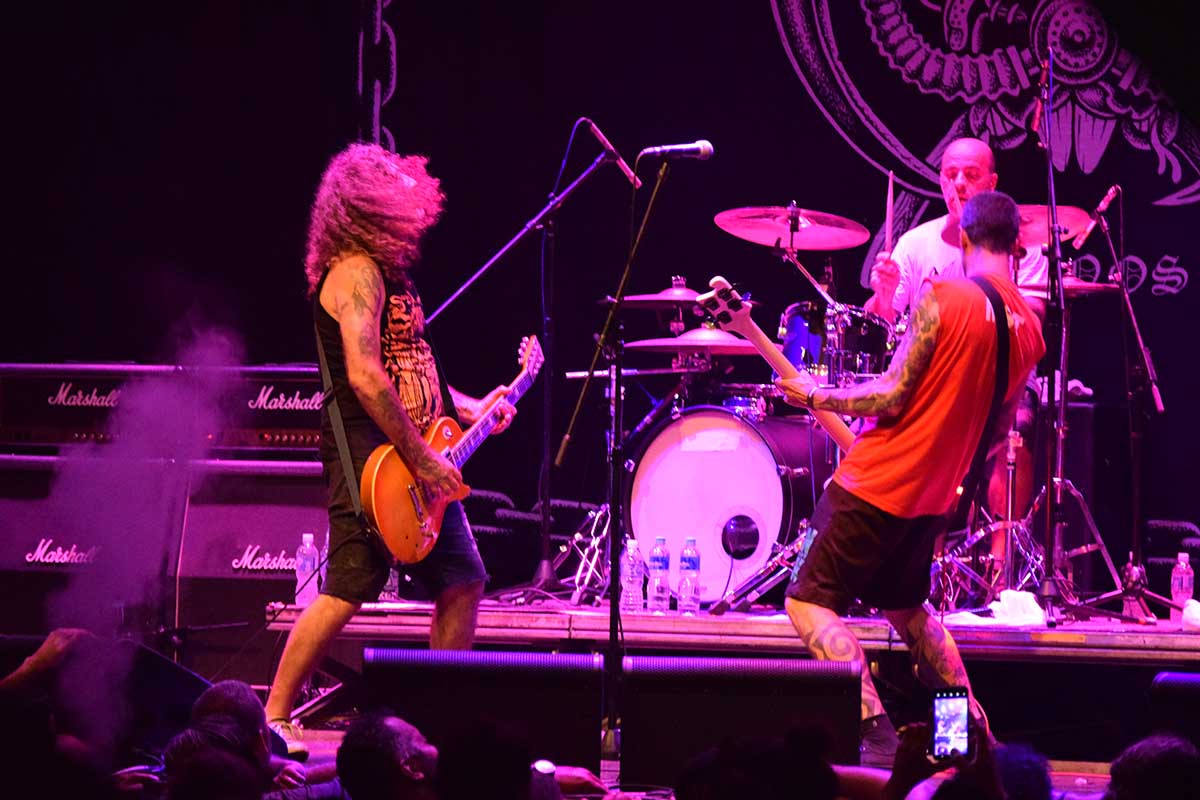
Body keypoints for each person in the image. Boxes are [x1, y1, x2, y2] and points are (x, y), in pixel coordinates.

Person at [264, 143, 518, 757]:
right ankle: (272, 715)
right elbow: (366, 376)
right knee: (350, 583)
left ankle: (437, 718)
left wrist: (470, 408)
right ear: (367, 206)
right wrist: (424, 460)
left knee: (462, 579)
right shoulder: (355, 272)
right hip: (372, 455)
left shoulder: (389, 274)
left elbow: (413, 365)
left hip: (420, 454)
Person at [776, 191, 1046, 767]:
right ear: (1018, 246)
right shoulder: (1030, 331)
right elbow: (999, 429)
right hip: (935, 497)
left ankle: (875, 734)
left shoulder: (944, 297)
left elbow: (892, 395)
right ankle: (962, 738)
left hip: (877, 481)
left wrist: (816, 394)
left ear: (964, 238)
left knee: (806, 602)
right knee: (908, 610)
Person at [864, 138, 1048, 584]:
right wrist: (883, 296)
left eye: (970, 175)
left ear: (992, 182)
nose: (959, 184)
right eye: (950, 175)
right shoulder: (915, 242)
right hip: (935, 378)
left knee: (1019, 428)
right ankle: (920, 561)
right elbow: (882, 321)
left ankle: (1000, 568)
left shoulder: (1021, 244)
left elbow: (1032, 319)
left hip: (1000, 377)